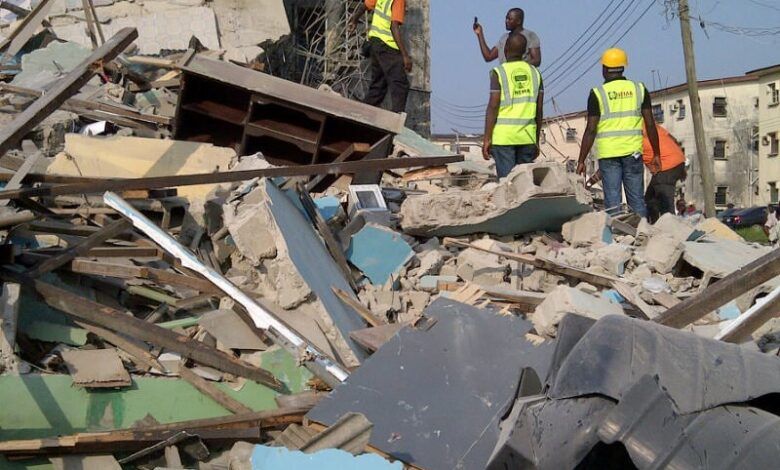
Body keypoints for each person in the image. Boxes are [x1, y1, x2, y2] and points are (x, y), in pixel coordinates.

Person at [576, 48, 660, 218]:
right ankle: (640, 235)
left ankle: (616, 238)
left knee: (612, 201)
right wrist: (656, 153)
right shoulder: (639, 89)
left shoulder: (597, 94)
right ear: (623, 67)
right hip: (633, 152)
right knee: (636, 199)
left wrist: (581, 160)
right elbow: (650, 123)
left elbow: (591, 129)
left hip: (609, 154)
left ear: (604, 69)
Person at [481, 32, 543, 179]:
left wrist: (487, 138)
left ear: (505, 49)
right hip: (527, 137)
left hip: (504, 139)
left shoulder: (499, 72)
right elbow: (539, 110)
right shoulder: (535, 73)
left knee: (508, 184)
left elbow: (493, 106)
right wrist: (536, 140)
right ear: (524, 51)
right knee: (524, 185)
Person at [348, 0, 411, 113]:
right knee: (400, 84)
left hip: (375, 42)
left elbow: (364, 6)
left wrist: (354, 20)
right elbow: (394, 27)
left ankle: (362, 114)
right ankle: (395, 118)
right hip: (387, 45)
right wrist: (405, 55)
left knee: (378, 87)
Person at [643, 124, 686, 223]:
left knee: (665, 204)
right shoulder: (648, 124)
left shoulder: (631, 130)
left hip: (666, 165)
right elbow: (674, 139)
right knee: (650, 198)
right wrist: (680, 163)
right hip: (677, 161)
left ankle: (670, 231)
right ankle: (654, 225)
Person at [473, 8, 541, 66]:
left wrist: (517, 68)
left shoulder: (530, 36)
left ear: (518, 21)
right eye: (506, 18)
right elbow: (488, 56)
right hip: (507, 78)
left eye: (509, 19)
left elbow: (536, 60)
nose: (506, 21)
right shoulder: (504, 38)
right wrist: (480, 34)